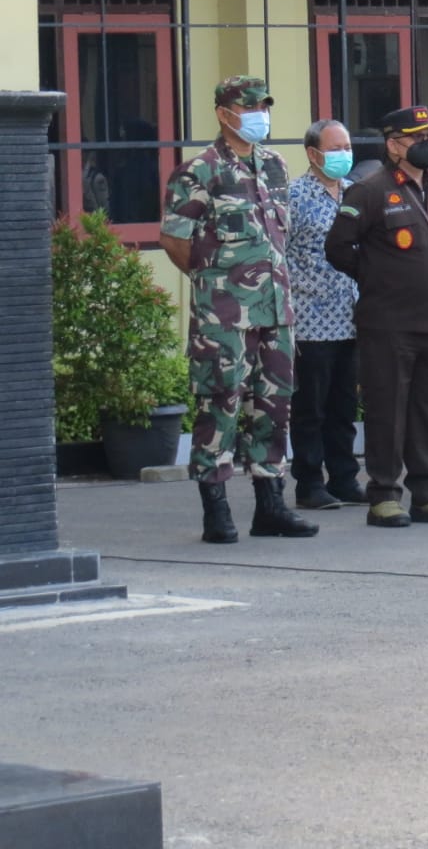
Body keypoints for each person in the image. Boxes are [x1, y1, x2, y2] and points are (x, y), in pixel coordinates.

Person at [160, 75, 318, 543]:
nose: (258, 116)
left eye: (262, 107)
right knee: (221, 406)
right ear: (224, 113)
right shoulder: (200, 172)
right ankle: (216, 509)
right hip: (224, 318)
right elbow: (173, 239)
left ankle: (271, 505)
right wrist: (215, 283)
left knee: (274, 405)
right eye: (248, 108)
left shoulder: (274, 166)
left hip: (276, 310)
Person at [325, 104, 428, 528]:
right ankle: (385, 495)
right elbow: (337, 248)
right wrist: (375, 276)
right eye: (417, 137)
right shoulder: (369, 191)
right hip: (387, 323)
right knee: (388, 411)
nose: (427, 144)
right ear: (393, 145)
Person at [285, 119, 365, 509]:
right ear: (313, 154)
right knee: (310, 410)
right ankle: (309, 484)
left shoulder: (355, 193)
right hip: (310, 322)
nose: (343, 155)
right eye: (335, 149)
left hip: (351, 317)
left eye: (347, 146)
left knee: (344, 407)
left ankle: (345, 478)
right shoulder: (295, 197)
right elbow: (278, 254)